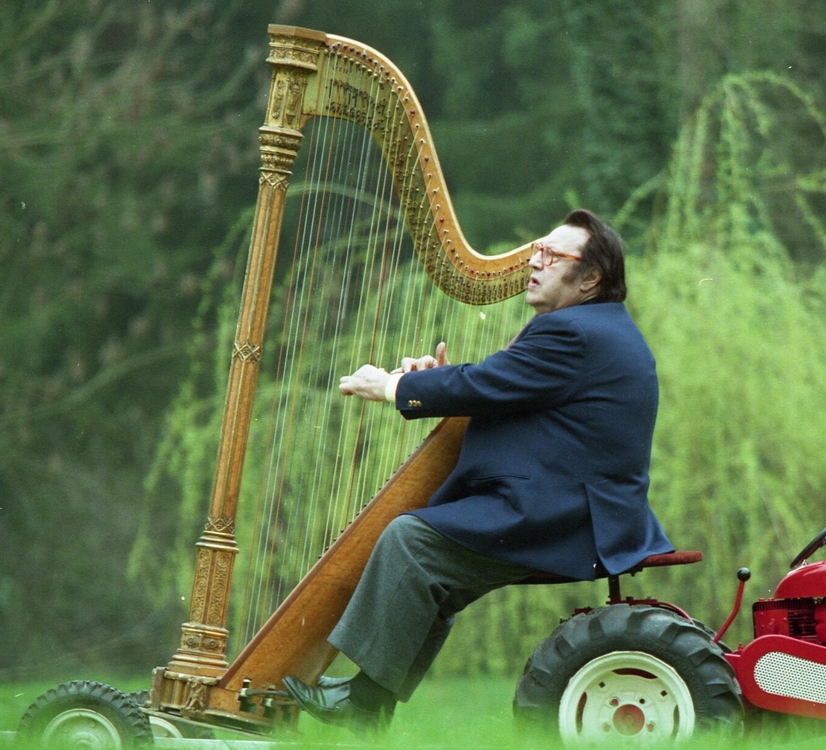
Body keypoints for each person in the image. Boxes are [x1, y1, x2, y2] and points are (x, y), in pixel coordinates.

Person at [283, 209, 673, 731]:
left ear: (590, 279)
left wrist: (394, 387)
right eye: (537, 250)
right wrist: (442, 382)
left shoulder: (572, 332)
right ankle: (368, 704)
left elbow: (487, 385)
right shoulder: (593, 328)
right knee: (434, 570)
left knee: (411, 542)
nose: (534, 262)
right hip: (575, 506)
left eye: (552, 255)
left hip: (568, 515)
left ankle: (365, 705)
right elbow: (504, 388)